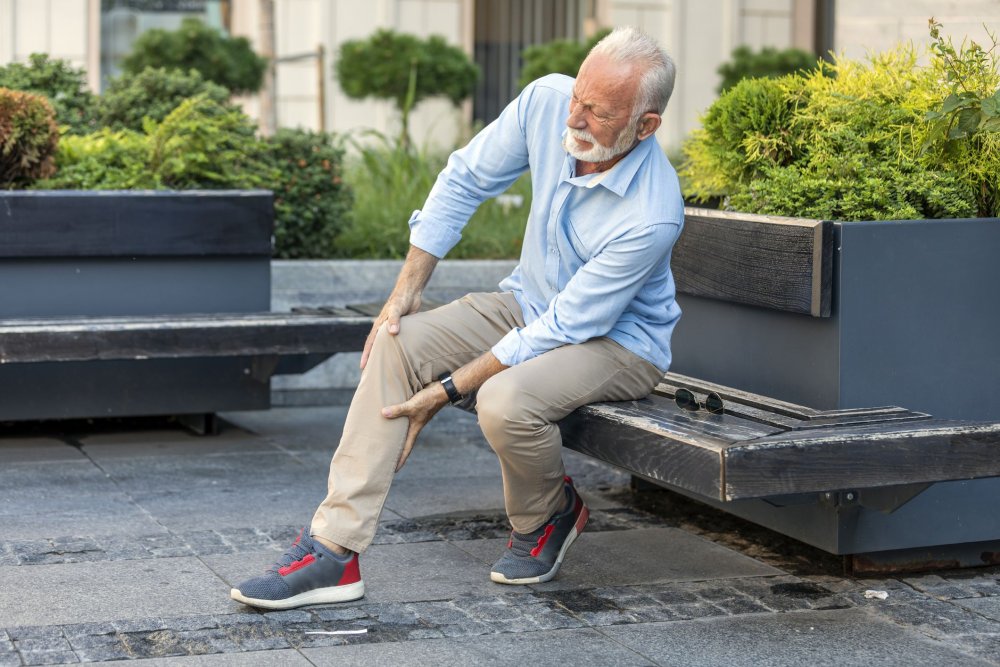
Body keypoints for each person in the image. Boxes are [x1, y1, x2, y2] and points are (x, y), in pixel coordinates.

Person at [230, 26, 684, 610]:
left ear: (645, 126)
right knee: (397, 340)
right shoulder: (547, 101)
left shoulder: (652, 213)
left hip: (617, 342)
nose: (574, 118)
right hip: (528, 303)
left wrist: (447, 390)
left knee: (504, 400)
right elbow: (466, 178)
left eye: (598, 113)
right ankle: (333, 550)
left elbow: (567, 327)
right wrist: (406, 291)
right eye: (578, 96)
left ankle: (548, 514)